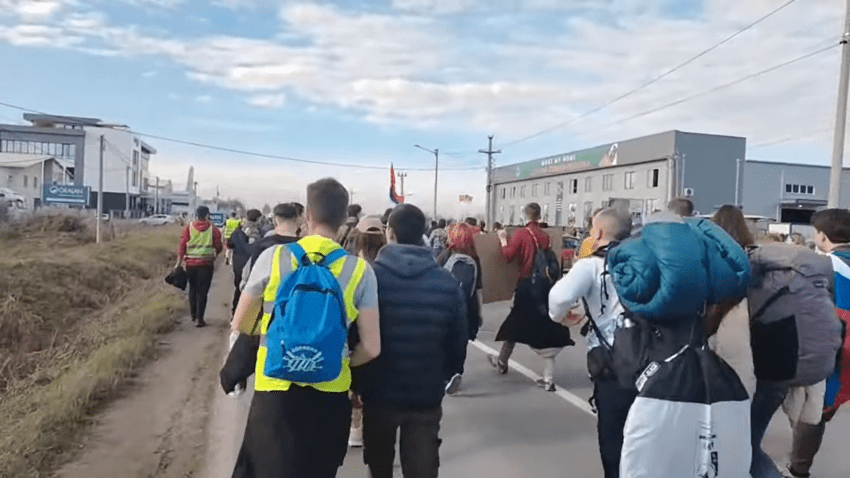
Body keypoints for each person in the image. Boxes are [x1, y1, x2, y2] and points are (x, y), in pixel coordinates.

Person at [230, 179, 381, 478]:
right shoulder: (360, 271)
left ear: (307, 216)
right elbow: (372, 347)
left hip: (275, 391)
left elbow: (241, 323)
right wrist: (340, 361)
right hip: (330, 394)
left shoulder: (273, 258)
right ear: (343, 220)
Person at [354, 204, 467, 478]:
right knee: (422, 466)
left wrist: (356, 383)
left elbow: (356, 335)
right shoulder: (446, 282)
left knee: (379, 465)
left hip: (378, 390)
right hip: (425, 391)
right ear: (423, 234)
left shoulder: (370, 278)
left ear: (388, 232)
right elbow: (458, 340)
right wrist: (447, 373)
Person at [548, 208, 632, 478]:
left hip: (613, 362)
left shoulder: (592, 265)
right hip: (656, 360)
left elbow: (559, 298)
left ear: (597, 233)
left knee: (613, 438)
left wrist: (560, 316)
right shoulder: (644, 260)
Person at [786, 209, 850, 478]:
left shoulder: (822, 265)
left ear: (822, 237)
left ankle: (799, 470)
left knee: (812, 409)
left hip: (835, 349)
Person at [491, 202, 574, 391]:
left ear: (524, 215)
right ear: (539, 215)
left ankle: (502, 362)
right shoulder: (545, 235)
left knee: (514, 324)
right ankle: (548, 376)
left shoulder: (522, 234)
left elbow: (508, 256)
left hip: (527, 285)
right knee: (546, 327)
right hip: (545, 288)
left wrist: (503, 239)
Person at [707, 205, 757, 397]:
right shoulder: (751, 252)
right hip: (741, 311)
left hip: (712, 311)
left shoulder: (709, 248)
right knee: (739, 366)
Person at [347, 214, 386, 448]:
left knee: (356, 382)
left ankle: (356, 425)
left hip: (356, 335)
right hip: (383, 335)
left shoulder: (352, 268)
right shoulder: (386, 267)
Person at [441, 222, 483, 395]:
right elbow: (478, 288)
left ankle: (445, 374)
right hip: (467, 306)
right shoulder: (475, 258)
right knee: (462, 340)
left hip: (445, 306)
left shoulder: (445, 255)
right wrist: (479, 312)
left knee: (444, 340)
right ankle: (457, 372)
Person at [176, 206, 223, 328]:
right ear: (207, 215)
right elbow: (219, 246)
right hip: (206, 265)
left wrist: (178, 263)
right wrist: (214, 255)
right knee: (203, 292)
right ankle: (199, 319)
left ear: (196, 215)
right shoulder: (213, 229)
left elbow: (182, 246)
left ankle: (193, 315)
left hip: (190, 265)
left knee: (192, 289)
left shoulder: (188, 228)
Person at [229, 209, 263, 316]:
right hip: (249, 264)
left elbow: (230, 244)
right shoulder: (255, 231)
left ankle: (235, 313)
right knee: (249, 291)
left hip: (237, 263)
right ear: (257, 218)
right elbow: (253, 247)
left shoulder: (238, 229)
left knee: (238, 288)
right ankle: (244, 316)